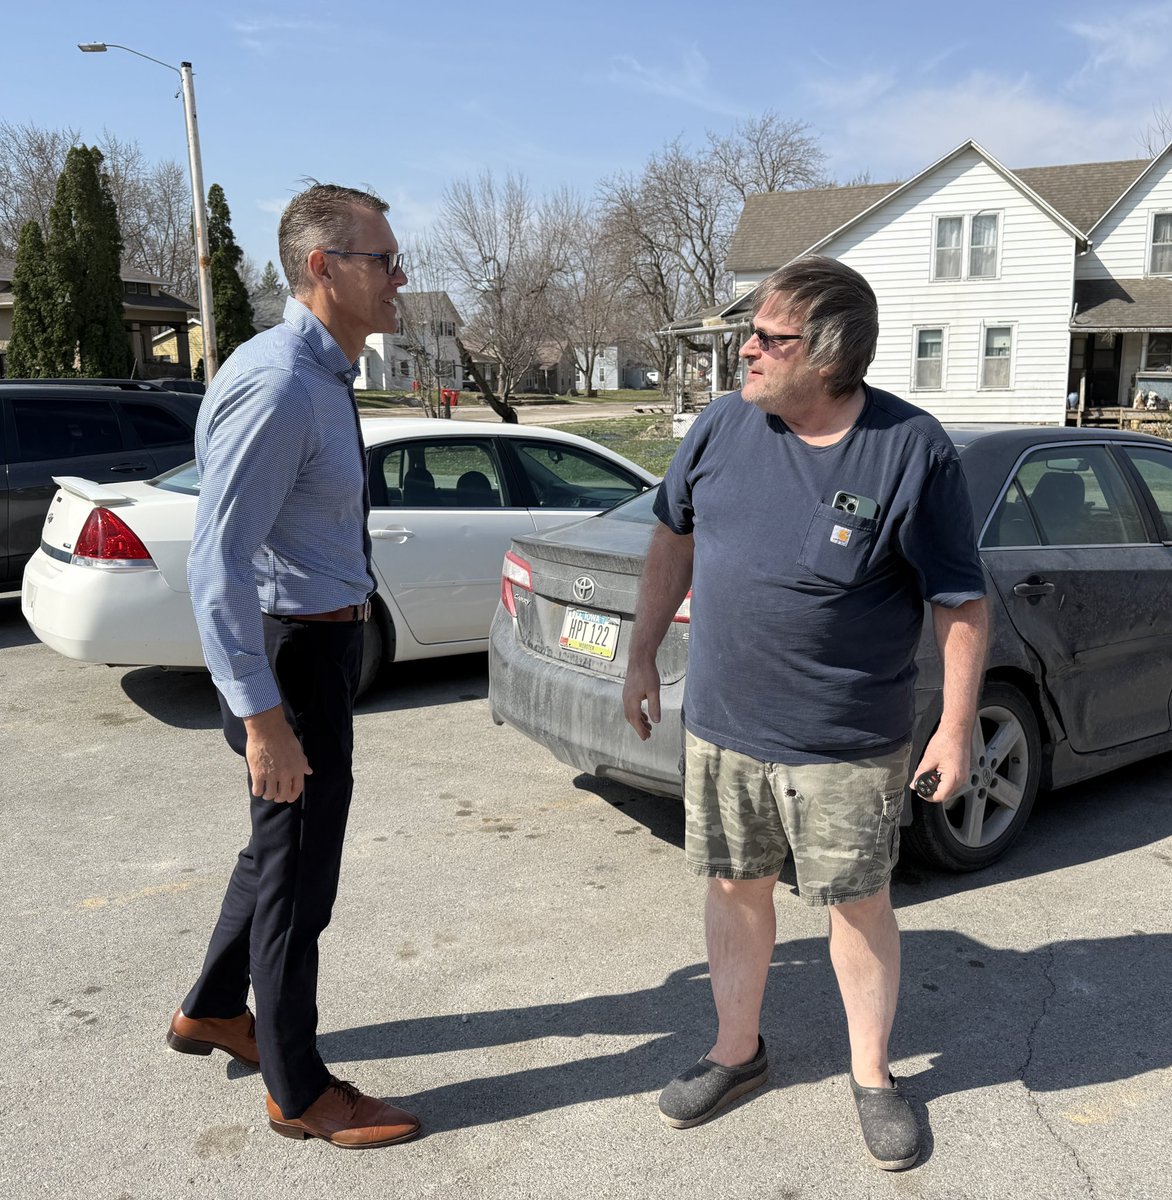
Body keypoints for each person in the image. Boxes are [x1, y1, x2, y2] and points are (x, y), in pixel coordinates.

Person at [622, 255, 988, 1171]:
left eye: (768, 337)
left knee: (859, 906)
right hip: (723, 728)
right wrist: (640, 654)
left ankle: (872, 1076)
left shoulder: (912, 450)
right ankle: (735, 1052)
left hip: (846, 742)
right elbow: (673, 534)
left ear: (826, 357)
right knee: (734, 890)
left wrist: (952, 726)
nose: (744, 349)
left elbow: (960, 600)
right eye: (751, 332)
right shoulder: (722, 426)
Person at [166, 183, 420, 1150]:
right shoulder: (278, 383)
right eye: (383, 259)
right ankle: (297, 1090)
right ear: (324, 268)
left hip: (317, 648)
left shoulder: (323, 374)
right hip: (289, 662)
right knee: (298, 882)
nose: (400, 277)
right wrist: (264, 717)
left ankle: (211, 1008)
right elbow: (217, 561)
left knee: (274, 855)